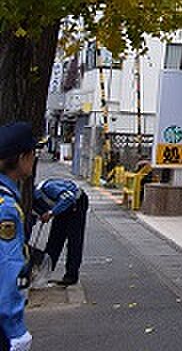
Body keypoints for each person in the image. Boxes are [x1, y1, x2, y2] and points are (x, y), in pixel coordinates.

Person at [0, 122, 38, 351]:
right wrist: (16, 330)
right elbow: (7, 268)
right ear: (23, 157)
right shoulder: (6, 208)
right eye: (33, 154)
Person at [32, 178, 87, 287]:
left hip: (76, 204)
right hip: (62, 208)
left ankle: (71, 276)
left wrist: (51, 213)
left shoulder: (49, 188)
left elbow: (69, 198)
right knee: (54, 240)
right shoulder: (35, 202)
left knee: (74, 241)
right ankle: (44, 272)